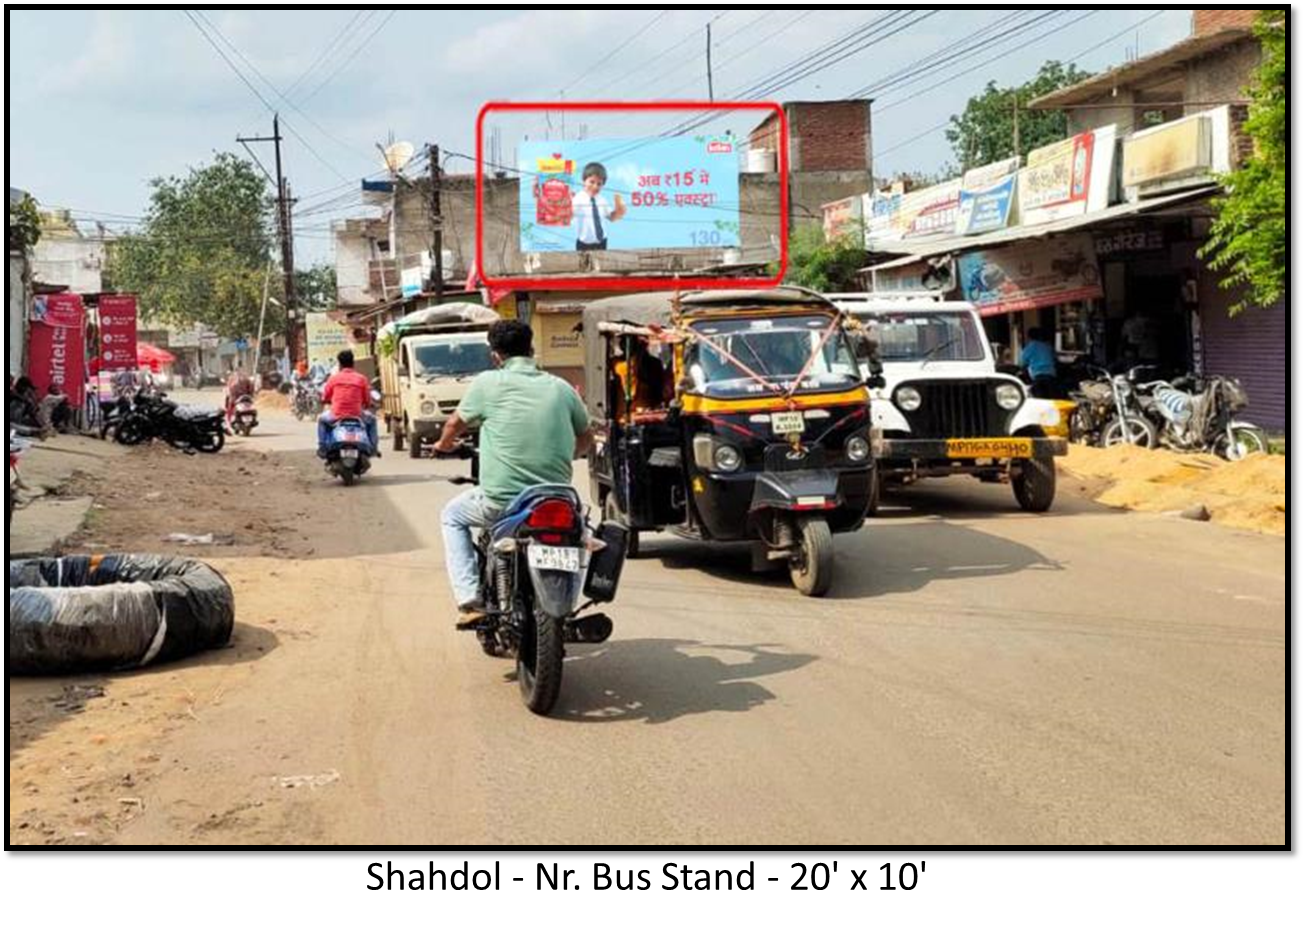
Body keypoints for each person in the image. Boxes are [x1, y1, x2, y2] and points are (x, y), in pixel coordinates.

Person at [434, 320, 592, 628]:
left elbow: (454, 424)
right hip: (556, 497)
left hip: (502, 502)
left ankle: (469, 599)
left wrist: (442, 445)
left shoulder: (487, 383)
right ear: (531, 349)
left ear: (495, 355)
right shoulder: (560, 387)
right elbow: (585, 436)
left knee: (451, 516)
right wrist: (570, 454)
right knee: (581, 531)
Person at [316, 350, 380, 458]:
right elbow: (367, 400)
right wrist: (367, 404)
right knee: (372, 420)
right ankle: (373, 448)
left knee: (321, 420)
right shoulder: (361, 379)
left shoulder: (333, 379)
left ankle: (322, 447)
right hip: (357, 415)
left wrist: (325, 400)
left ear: (339, 364)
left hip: (336, 415)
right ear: (353, 363)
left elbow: (325, 397)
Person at [571, 162, 626, 252]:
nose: (595, 186)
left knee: (601, 264)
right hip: (584, 243)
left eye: (599, 184)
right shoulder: (578, 199)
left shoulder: (602, 200)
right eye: (592, 182)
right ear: (584, 180)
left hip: (602, 241)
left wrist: (619, 209)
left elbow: (612, 217)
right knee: (584, 265)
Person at [1020, 327, 1060, 399]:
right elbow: (1055, 359)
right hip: (1050, 376)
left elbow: (1022, 363)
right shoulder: (1048, 346)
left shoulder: (1028, 348)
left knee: (1040, 399)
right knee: (1052, 399)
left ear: (1029, 337)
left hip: (1037, 376)